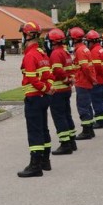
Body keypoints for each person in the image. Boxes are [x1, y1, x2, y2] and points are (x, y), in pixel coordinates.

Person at [17, 21, 54, 178]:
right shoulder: (42, 54)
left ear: (27, 35)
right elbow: (50, 75)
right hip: (43, 98)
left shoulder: (31, 55)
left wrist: (45, 88)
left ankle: (35, 166)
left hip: (34, 97)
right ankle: (45, 161)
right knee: (43, 129)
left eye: (23, 34)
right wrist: (49, 88)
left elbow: (32, 79)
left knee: (35, 131)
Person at [48, 28, 77, 155]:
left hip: (58, 90)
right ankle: (71, 141)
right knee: (67, 115)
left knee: (59, 117)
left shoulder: (55, 54)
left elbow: (57, 71)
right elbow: (71, 69)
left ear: (53, 42)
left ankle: (65, 144)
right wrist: (70, 79)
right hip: (66, 89)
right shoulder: (65, 53)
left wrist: (65, 79)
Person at [70, 27, 97, 140]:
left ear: (75, 39)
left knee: (82, 107)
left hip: (82, 82)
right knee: (87, 106)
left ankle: (86, 130)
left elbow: (85, 68)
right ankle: (90, 129)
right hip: (86, 82)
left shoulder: (80, 51)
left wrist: (91, 79)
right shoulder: (84, 49)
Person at [87, 30, 103, 129]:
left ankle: (100, 120)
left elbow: (97, 67)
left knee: (97, 100)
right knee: (102, 99)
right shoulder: (101, 49)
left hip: (98, 80)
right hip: (102, 79)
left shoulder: (94, 51)